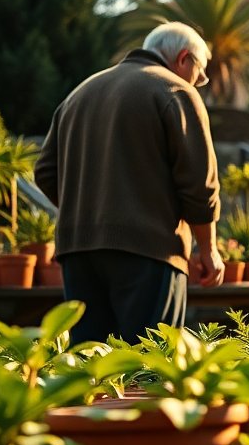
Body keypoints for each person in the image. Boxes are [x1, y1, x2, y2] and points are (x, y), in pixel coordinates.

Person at [35, 22, 225, 343]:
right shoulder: (175, 91)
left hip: (78, 252)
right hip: (149, 251)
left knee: (91, 369)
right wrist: (207, 249)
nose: (198, 81)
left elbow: (45, 172)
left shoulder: (79, 93)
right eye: (200, 72)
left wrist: (90, 210)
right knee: (148, 368)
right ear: (183, 58)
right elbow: (198, 185)